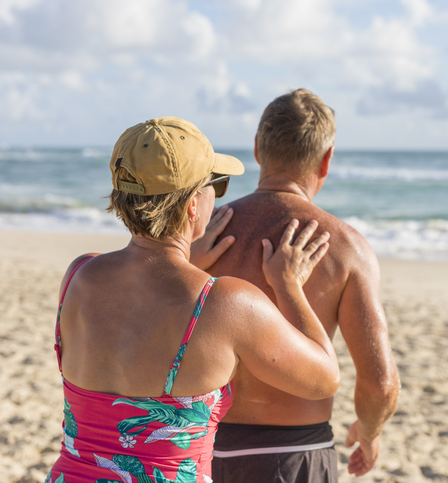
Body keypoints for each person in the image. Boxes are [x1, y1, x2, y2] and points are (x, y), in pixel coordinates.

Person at [46, 117, 339, 483]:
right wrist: (288, 285)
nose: (218, 195)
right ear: (192, 206)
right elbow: (324, 380)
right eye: (216, 184)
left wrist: (185, 263)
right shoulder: (224, 302)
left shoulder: (78, 276)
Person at [202, 89, 400, 482]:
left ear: (257, 149)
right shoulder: (346, 248)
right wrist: (369, 430)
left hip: (197, 448)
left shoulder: (202, 232)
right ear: (326, 160)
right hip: (292, 455)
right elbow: (380, 384)